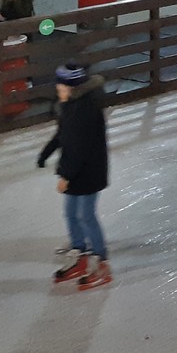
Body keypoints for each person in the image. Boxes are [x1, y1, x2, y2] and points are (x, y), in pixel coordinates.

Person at [37, 62, 112, 289]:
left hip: (89, 171)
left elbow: (79, 148)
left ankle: (101, 263)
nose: (57, 88)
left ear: (71, 87)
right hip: (76, 170)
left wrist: (66, 177)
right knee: (70, 213)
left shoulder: (85, 110)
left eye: (60, 85)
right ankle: (81, 254)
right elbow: (62, 134)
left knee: (86, 215)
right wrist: (45, 154)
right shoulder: (69, 105)